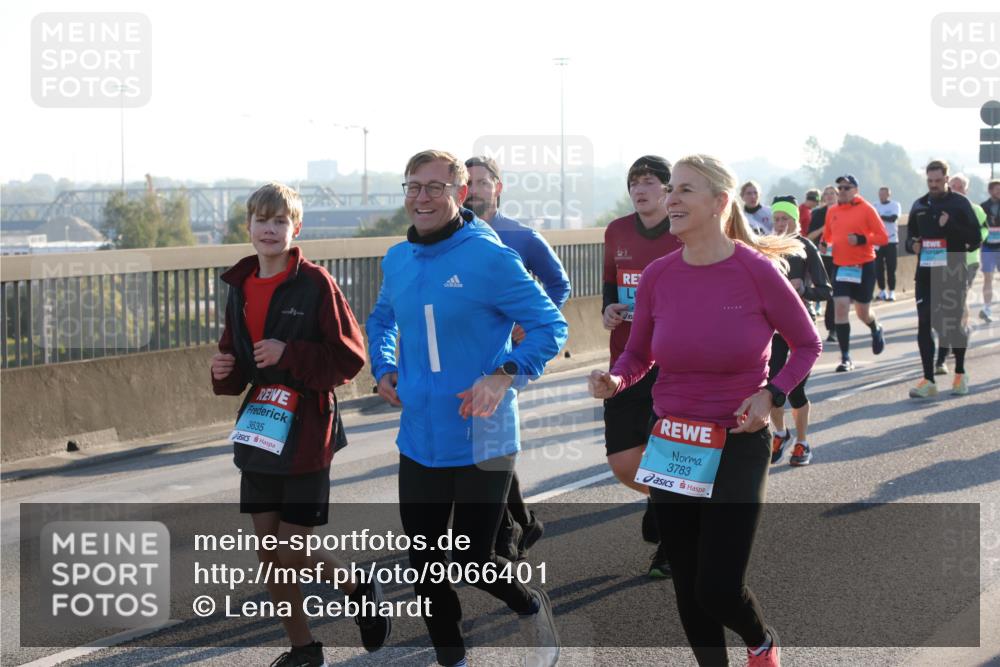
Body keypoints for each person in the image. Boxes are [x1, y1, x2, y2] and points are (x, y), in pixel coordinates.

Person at [590, 154, 821, 667]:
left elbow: (806, 343)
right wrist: (616, 379)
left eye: (685, 190)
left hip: (738, 439)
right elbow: (638, 352)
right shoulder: (657, 275)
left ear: (719, 202)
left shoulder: (755, 271)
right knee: (689, 585)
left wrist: (772, 395)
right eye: (671, 189)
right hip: (673, 439)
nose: (672, 199)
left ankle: (760, 641)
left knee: (718, 587)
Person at [367, 150, 567, 667]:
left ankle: (528, 603)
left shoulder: (490, 257)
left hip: (485, 434)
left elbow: (550, 326)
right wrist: (384, 367)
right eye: (413, 186)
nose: (422, 197)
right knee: (427, 565)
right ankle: (453, 660)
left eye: (435, 187)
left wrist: (504, 376)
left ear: (461, 195)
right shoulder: (397, 259)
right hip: (420, 437)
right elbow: (383, 319)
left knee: (474, 559)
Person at [211, 182, 389, 667]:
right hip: (260, 429)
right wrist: (223, 371)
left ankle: (358, 588)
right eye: (261, 220)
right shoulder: (239, 284)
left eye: (280, 221)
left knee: (291, 552)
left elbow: (350, 356)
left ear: (296, 227)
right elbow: (238, 360)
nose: (270, 230)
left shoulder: (315, 283)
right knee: (270, 552)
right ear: (247, 227)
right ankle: (304, 649)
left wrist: (292, 354)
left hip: (308, 429)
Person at [464, 155, 571, 562]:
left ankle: (507, 528)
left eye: (481, 181)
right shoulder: (454, 236)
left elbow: (560, 285)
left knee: (490, 433)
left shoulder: (522, 237)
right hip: (470, 351)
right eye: (468, 182)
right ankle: (521, 521)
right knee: (481, 435)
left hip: (510, 356)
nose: (473, 189)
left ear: (498, 187)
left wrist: (530, 324)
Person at [601, 155, 683, 578]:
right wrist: (609, 311)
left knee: (668, 452)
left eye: (649, 181)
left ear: (667, 189)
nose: (640, 188)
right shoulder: (616, 231)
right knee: (622, 459)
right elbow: (609, 290)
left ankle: (672, 545)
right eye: (634, 181)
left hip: (674, 363)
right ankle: (659, 498)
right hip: (626, 361)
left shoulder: (682, 232)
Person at [906, 161, 982, 398]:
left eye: (938, 181)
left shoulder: (959, 204)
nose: (934, 185)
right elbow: (908, 240)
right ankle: (928, 380)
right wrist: (914, 245)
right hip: (926, 271)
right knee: (924, 321)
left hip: (952, 270)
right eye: (930, 181)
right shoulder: (919, 205)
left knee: (951, 324)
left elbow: (975, 239)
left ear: (947, 179)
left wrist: (951, 225)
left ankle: (960, 372)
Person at [768, 197, 830, 467]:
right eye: (777, 219)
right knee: (770, 385)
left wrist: (803, 290)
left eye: (786, 219)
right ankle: (780, 434)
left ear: (796, 221)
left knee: (794, 391)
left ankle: (803, 442)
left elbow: (825, 290)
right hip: (774, 328)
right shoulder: (767, 248)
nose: (781, 225)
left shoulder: (806, 248)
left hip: (801, 329)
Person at [822, 174, 889, 372]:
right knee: (840, 308)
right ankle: (845, 357)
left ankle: (875, 327)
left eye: (846, 188)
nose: (842, 191)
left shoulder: (867, 209)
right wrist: (824, 244)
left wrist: (862, 239)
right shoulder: (832, 211)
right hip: (841, 267)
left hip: (864, 266)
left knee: (863, 312)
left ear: (855, 190)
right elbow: (828, 236)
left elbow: (883, 237)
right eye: (840, 188)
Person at [934, 173, 988, 375]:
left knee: (958, 300)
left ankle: (957, 334)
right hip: (943, 260)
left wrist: (973, 242)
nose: (955, 188)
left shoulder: (974, 209)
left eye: (959, 186)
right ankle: (957, 332)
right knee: (943, 306)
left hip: (968, 260)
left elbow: (983, 231)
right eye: (953, 185)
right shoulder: (939, 206)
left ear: (966, 189)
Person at [807, 185, 839, 342]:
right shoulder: (818, 213)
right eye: (827, 194)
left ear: (838, 195)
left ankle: (834, 327)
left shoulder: (845, 211)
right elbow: (810, 235)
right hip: (824, 257)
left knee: (837, 292)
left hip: (842, 257)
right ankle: (828, 327)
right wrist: (825, 228)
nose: (830, 196)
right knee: (826, 290)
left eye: (833, 193)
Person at [874, 186, 902, 301]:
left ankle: (892, 291)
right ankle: (882, 290)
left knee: (891, 267)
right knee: (878, 268)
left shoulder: (895, 205)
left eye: (884, 194)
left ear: (888, 195)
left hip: (891, 240)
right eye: (880, 194)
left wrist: (879, 217)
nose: (882, 196)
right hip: (878, 241)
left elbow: (893, 218)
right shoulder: (875, 206)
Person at [979, 179, 1000, 323]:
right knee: (988, 278)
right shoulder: (982, 207)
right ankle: (987, 308)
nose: (999, 193)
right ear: (990, 191)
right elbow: (978, 226)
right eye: (997, 190)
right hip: (987, 247)